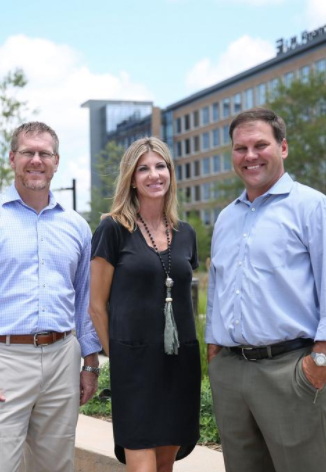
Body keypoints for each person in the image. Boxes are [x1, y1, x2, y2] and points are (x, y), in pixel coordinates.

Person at [206, 108, 326, 472]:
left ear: (284, 147)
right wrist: (215, 352)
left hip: (290, 371)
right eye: (240, 148)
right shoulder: (227, 218)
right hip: (231, 372)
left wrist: (320, 359)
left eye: (261, 144)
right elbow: (218, 289)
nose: (250, 155)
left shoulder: (315, 208)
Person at [0, 122, 102, 472]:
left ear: (56, 161)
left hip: (63, 358)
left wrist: (90, 363)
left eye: (44, 153)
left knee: (56, 466)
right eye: (28, 152)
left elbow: (85, 302)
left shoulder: (76, 226)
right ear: (13, 158)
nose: (36, 160)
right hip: (2, 361)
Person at [89, 137, 201, 471]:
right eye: (144, 168)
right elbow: (96, 305)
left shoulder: (187, 233)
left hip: (179, 364)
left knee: (166, 465)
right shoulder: (112, 229)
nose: (154, 175)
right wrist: (118, 357)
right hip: (134, 367)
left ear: (170, 173)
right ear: (132, 178)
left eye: (160, 166)